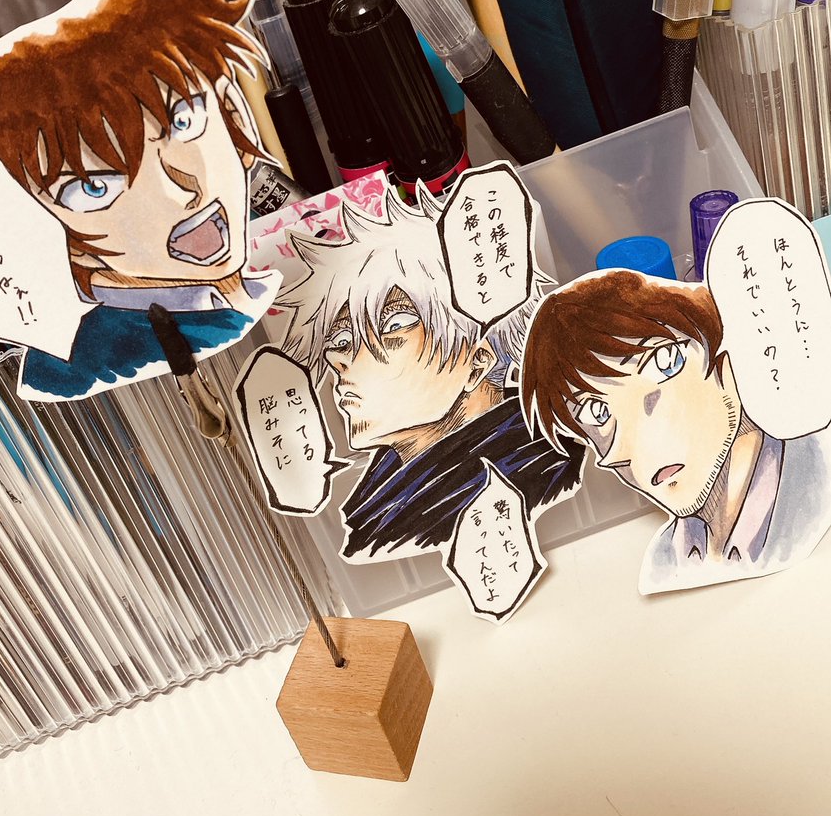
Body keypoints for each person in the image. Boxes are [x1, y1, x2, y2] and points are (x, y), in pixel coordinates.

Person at [0, 0, 277, 399]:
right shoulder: (78, 370)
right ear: (40, 227)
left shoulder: (252, 291)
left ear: (231, 112)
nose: (178, 192)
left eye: (183, 121)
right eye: (94, 186)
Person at [280, 187, 584, 559]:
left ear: (477, 362)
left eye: (392, 326)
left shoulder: (538, 469)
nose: (341, 360)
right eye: (341, 340)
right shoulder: (375, 508)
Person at [520, 268, 831, 592]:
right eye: (596, 412)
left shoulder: (817, 482)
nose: (637, 441)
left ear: (725, 363)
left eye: (664, 363)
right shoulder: (667, 559)